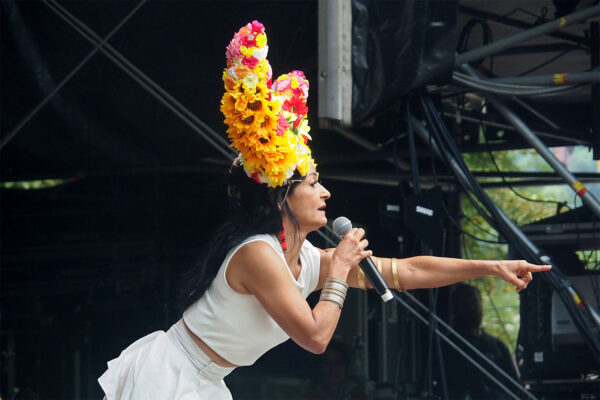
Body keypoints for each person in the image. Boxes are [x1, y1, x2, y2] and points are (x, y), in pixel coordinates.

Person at [97, 21, 551, 400]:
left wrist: (491, 266)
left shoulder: (307, 259)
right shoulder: (259, 255)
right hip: (171, 377)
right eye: (314, 183)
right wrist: (340, 272)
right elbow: (315, 338)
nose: (326, 193)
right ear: (282, 197)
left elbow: (407, 270)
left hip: (207, 382)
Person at [443, 283, 520, 399]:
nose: (471, 308)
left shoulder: (498, 346)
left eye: (474, 302)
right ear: (455, 309)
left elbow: (515, 387)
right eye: (465, 304)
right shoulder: (448, 347)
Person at [302, 340, 370, 400]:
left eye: (338, 363)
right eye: (327, 363)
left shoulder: (358, 396)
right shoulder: (311, 396)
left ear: (346, 366)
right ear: (319, 366)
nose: (332, 368)